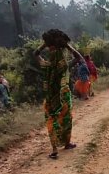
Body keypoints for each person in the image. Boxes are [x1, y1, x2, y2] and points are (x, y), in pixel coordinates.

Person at [35, 29, 81, 159]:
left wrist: (45, 44)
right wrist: (67, 45)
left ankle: (54, 149)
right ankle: (67, 143)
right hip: (64, 96)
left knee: (52, 120)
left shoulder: (46, 65)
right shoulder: (64, 65)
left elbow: (36, 53)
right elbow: (78, 57)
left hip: (50, 97)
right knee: (66, 120)